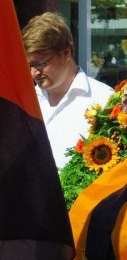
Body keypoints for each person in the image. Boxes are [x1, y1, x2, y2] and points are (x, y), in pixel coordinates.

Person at [21, 12, 113, 170]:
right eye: (29, 65)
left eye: (40, 64)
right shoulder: (24, 102)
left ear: (66, 53)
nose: (33, 73)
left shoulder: (104, 100)